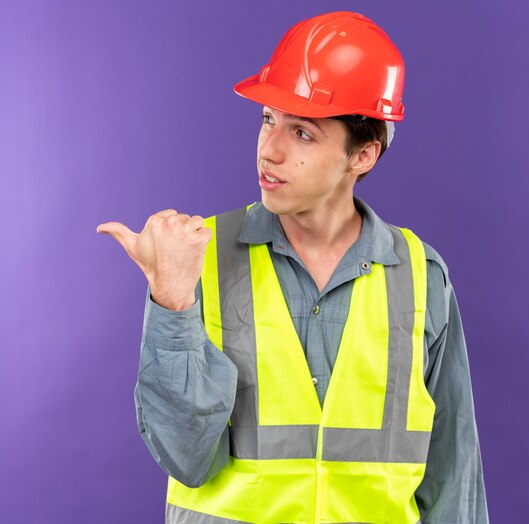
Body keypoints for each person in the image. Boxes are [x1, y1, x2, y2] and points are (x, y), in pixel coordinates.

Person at [97, 11, 488, 524]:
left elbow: (453, 480)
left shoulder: (420, 276)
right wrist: (171, 298)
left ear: (363, 155)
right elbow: (185, 457)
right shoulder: (200, 258)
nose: (269, 149)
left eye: (302, 133)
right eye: (267, 119)